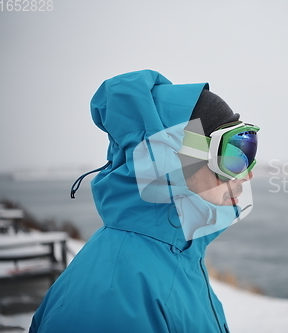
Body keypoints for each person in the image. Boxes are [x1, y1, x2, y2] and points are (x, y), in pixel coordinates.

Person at [29, 70, 260, 333]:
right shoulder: (112, 297)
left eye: (248, 149)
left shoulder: (177, 255)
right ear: (180, 159)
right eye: (233, 154)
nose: (248, 172)